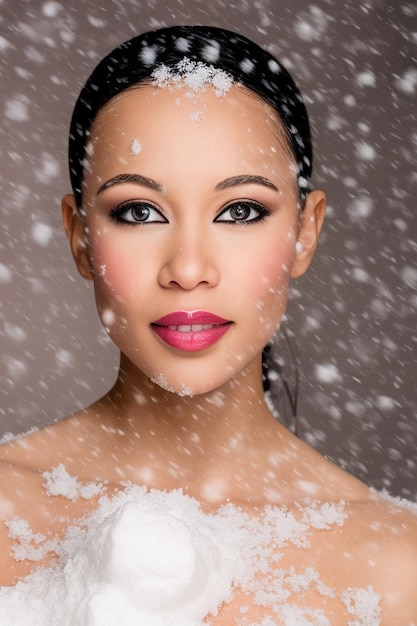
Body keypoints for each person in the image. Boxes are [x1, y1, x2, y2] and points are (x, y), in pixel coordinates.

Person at [0, 25, 416, 624]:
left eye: (240, 211)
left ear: (306, 232)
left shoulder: (400, 565)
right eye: (138, 212)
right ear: (80, 235)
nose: (188, 269)